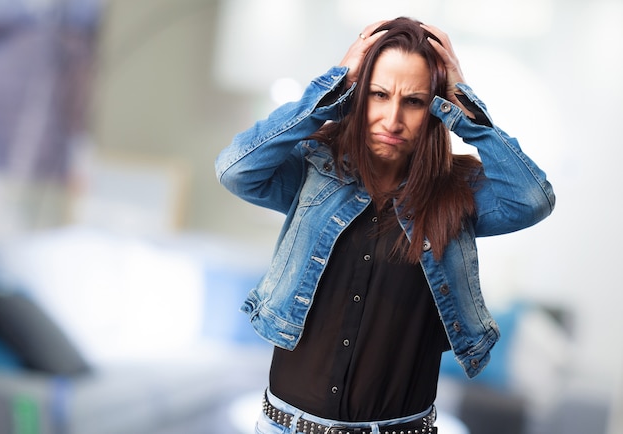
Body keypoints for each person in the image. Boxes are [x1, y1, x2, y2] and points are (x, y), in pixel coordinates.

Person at [215, 17, 555, 434]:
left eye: (413, 101)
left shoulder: (457, 193)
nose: (392, 119)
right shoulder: (313, 170)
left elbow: (532, 199)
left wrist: (464, 105)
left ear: (434, 106)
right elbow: (236, 170)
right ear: (358, 95)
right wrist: (331, 87)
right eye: (378, 94)